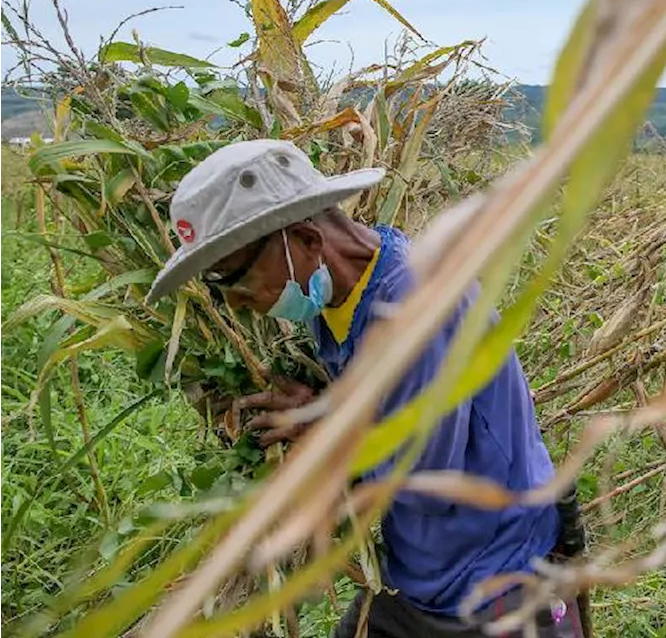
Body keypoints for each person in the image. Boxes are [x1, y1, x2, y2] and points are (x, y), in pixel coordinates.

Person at [144, 139, 590, 638]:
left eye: (242, 285)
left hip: (496, 574)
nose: (242, 306)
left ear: (307, 242)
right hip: (421, 570)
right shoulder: (341, 292)